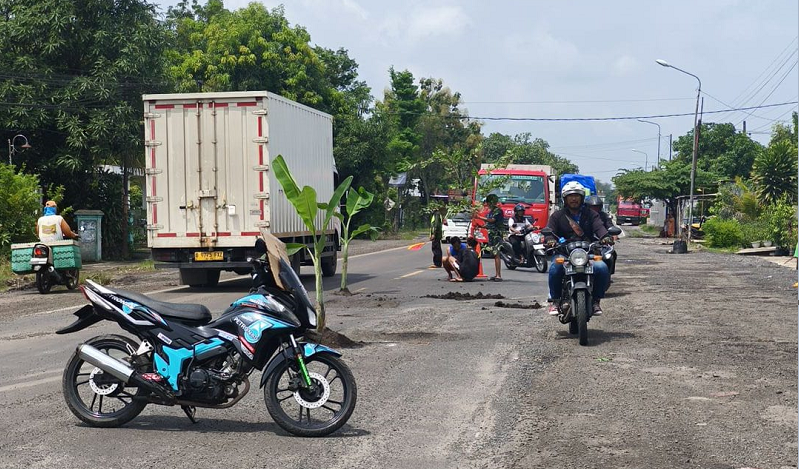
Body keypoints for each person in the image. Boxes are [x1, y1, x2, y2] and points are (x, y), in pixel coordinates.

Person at [544, 182, 611, 316]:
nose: (573, 199)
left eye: (576, 196)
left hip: (588, 252)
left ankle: (596, 301)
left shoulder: (591, 214)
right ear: (565, 198)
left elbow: (599, 227)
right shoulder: (557, 216)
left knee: (602, 268)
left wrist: (605, 237)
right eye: (570, 196)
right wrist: (550, 240)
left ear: (581, 197)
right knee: (555, 269)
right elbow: (549, 231)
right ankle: (555, 301)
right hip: (564, 253)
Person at [474, 194, 504, 281]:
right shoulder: (491, 212)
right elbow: (488, 224)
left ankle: (498, 275)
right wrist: (480, 226)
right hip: (491, 235)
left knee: (496, 254)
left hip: (496, 235)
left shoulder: (498, 211)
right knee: (494, 254)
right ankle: (496, 274)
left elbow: (492, 220)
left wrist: (479, 217)